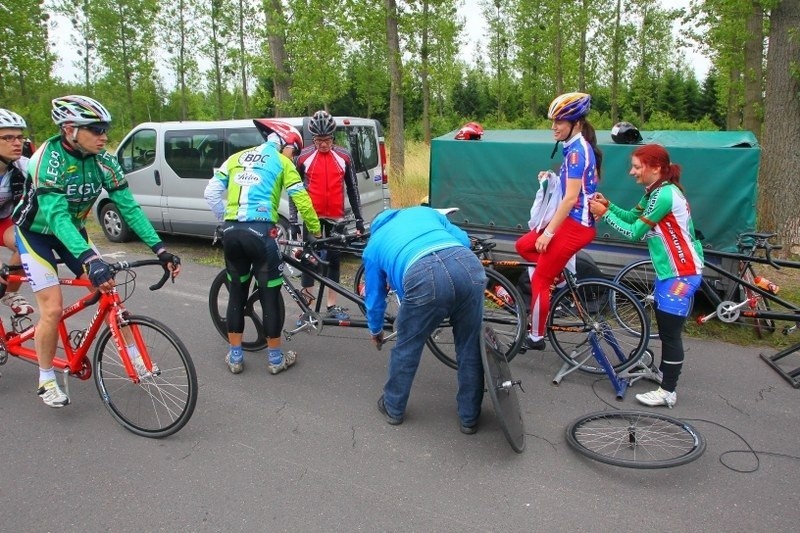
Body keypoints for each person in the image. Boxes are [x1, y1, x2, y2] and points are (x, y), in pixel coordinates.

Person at [14, 95, 181, 408]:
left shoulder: (105, 160)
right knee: (51, 309)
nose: (104, 135)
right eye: (96, 129)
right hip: (37, 234)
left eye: (106, 128)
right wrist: (91, 258)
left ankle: (136, 360)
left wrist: (160, 248)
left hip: (71, 233)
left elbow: (128, 207)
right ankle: (46, 377)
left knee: (108, 289)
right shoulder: (47, 160)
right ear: (69, 129)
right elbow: (56, 216)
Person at [589, 144, 703, 408]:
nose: (632, 172)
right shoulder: (656, 191)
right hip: (671, 272)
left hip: (681, 274)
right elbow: (631, 217)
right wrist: (610, 206)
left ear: (657, 168)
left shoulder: (663, 196)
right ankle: (667, 379)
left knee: (670, 334)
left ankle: (668, 391)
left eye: (637, 167)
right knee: (666, 331)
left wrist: (604, 215)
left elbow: (633, 232)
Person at [205, 118, 321, 375]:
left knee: (236, 292)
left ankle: (235, 358)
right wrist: (315, 229)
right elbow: (300, 198)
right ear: (286, 144)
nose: (295, 156)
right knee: (270, 296)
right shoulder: (282, 162)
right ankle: (276, 359)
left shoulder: (236, 157)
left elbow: (210, 193)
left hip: (232, 232)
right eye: (295, 150)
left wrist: (229, 217)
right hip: (261, 233)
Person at [363, 206, 485, 434]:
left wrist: (375, 328)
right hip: (467, 265)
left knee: (407, 347)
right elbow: (463, 240)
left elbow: (374, 294)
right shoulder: (424, 212)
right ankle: (469, 417)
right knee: (469, 346)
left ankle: (393, 407)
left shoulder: (374, 244)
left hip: (423, 276)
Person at [515, 92, 602, 352]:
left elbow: (571, 199)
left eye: (560, 122)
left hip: (574, 226)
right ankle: (561, 279)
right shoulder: (574, 147)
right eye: (553, 121)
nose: (554, 127)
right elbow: (578, 189)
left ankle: (536, 336)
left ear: (576, 123)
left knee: (540, 279)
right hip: (569, 221)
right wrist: (551, 178)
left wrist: (548, 233)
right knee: (523, 245)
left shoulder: (577, 153)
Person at [290, 110, 365, 320]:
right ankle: (307, 308)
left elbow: (353, 189)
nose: (324, 144)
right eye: (319, 140)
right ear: (313, 138)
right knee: (308, 260)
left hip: (336, 217)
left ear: (333, 137)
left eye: (328, 140)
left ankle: (332, 307)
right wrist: (294, 221)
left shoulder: (344, 156)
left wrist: (359, 219)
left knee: (333, 260)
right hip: (312, 218)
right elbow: (294, 190)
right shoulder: (303, 157)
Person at [0, 108, 35, 316]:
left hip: (4, 220)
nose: (17, 142)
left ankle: (9, 293)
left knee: (27, 240)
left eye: (20, 137)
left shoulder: (24, 165)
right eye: (8, 137)